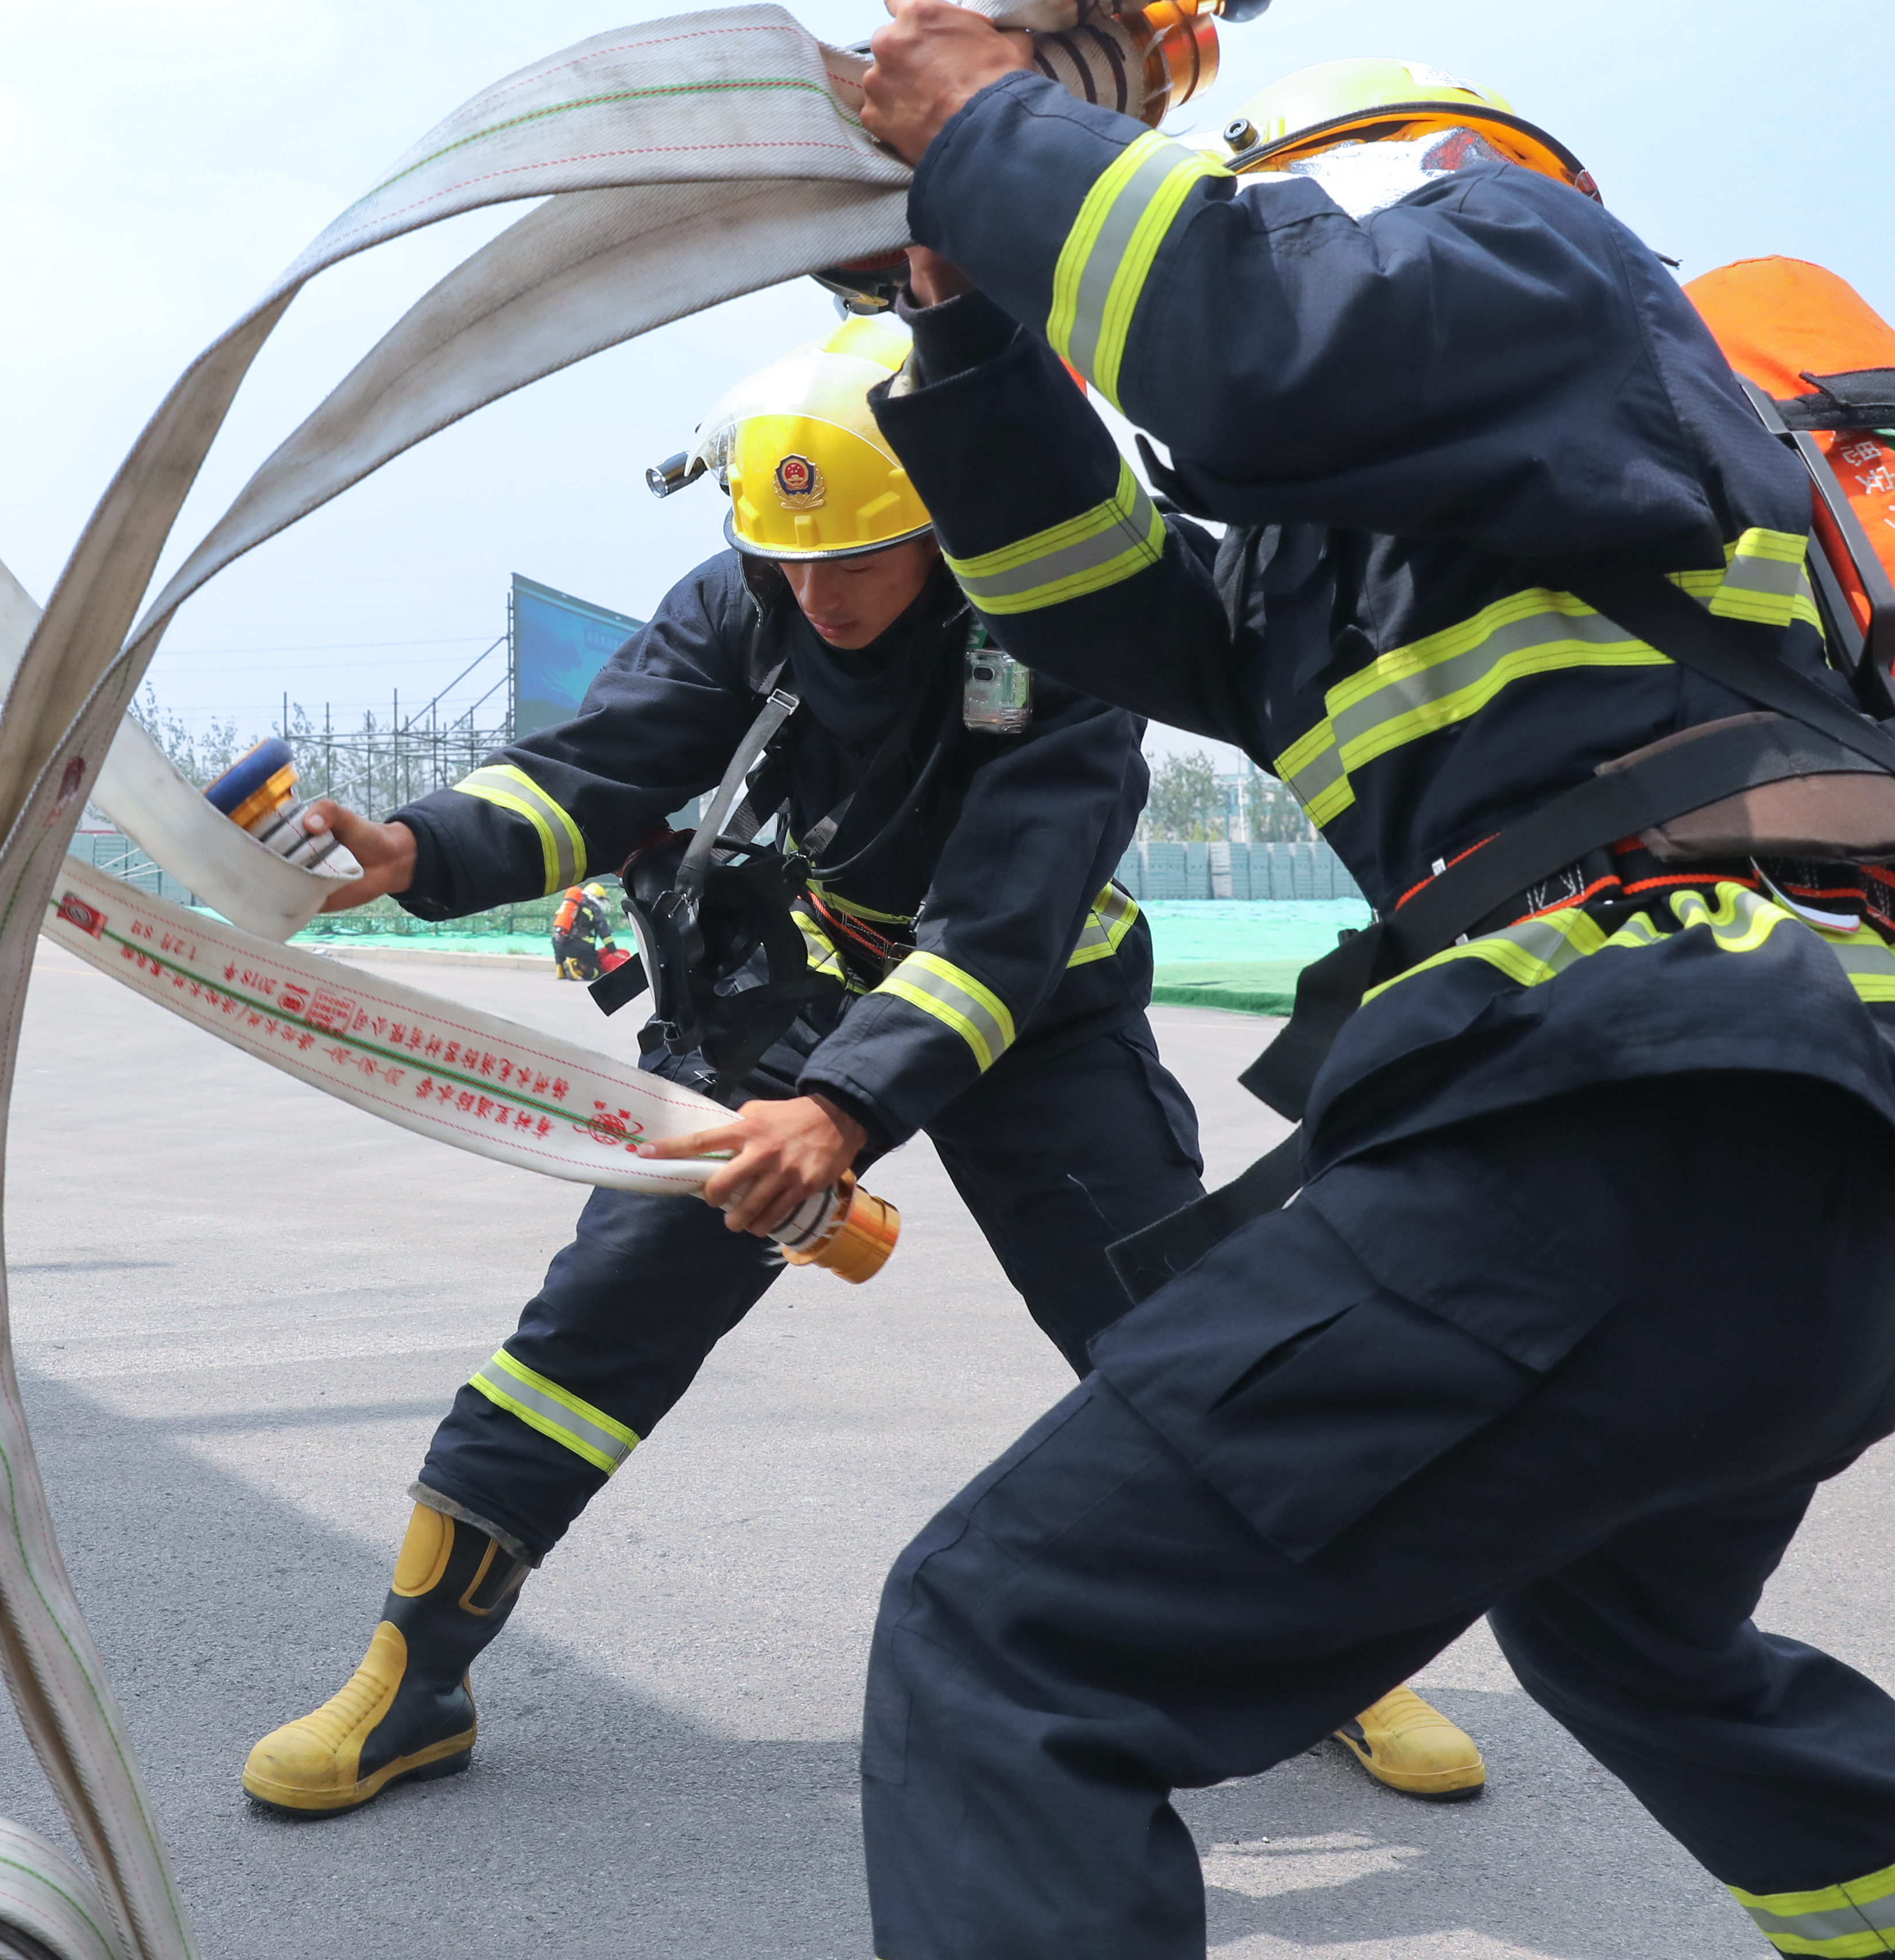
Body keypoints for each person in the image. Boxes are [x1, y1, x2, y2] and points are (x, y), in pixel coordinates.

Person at [842, 27, 1895, 1958]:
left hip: (1636, 1095)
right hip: (1763, 1147)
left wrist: (998, 135)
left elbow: (1248, 335)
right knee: (1648, 1657)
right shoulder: (1377, 531)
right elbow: (1102, 599)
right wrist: (968, 334)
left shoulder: (1540, 251)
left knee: (1011, 1639)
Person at [241, 316, 1488, 1819]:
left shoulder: (1062, 631)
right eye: (791, 560)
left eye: (860, 561)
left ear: (946, 521)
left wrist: (839, 1110)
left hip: (1040, 1005)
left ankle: (1342, 1652)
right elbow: (599, 770)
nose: (821, 595)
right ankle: (414, 1676)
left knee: (1171, 1326)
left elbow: (1000, 931)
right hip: (812, 970)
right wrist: (418, 842)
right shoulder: (745, 599)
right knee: (607, 1310)